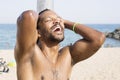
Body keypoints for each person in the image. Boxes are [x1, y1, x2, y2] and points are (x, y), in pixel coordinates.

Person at [14, 9, 105, 80]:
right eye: (48, 20)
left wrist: (64, 22)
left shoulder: (68, 56)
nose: (57, 22)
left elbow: (98, 38)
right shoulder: (29, 53)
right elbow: (28, 16)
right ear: (38, 32)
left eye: (58, 19)